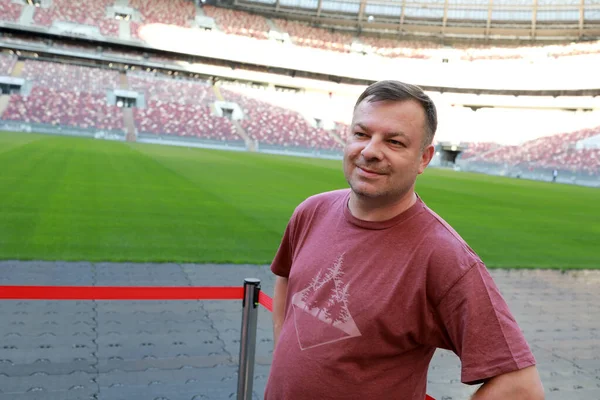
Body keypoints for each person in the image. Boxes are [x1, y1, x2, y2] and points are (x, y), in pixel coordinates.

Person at [264, 80, 544, 400]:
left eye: (394, 142)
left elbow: (520, 387)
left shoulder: (444, 256)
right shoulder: (311, 211)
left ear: (423, 158)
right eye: (361, 134)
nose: (369, 151)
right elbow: (286, 277)